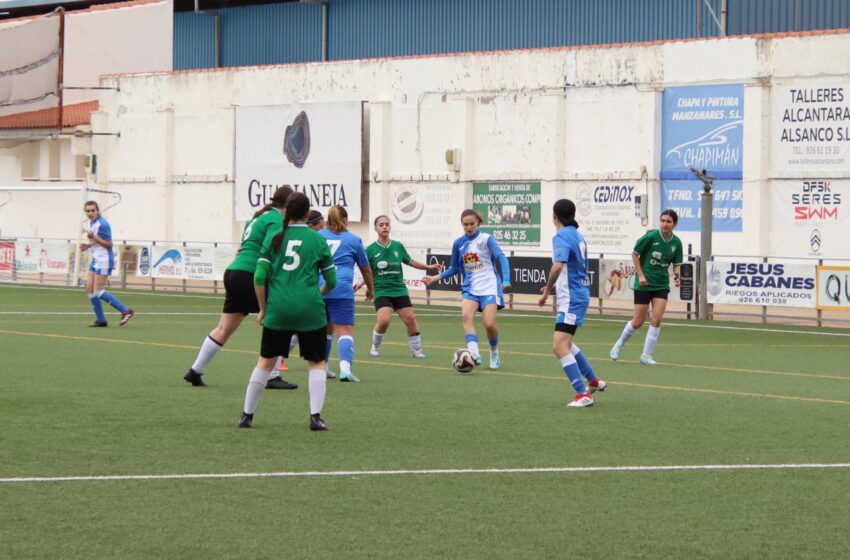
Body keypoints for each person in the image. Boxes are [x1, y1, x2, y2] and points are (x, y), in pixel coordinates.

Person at [238, 193, 337, 430]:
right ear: (306, 213)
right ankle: (315, 417)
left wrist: (263, 308)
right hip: (310, 309)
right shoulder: (318, 240)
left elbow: (259, 276)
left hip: (279, 308)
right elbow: (332, 281)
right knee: (316, 362)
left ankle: (247, 416)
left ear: (286, 212)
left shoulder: (274, 236)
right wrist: (316, 295)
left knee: (265, 362)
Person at [183, 187, 297, 389]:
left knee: (223, 328)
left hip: (234, 271)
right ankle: (272, 375)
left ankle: (195, 370)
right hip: (250, 274)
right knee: (280, 319)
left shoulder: (258, 217)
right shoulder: (276, 220)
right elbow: (272, 244)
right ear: (288, 205)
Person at [538, 199, 607, 408]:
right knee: (567, 343)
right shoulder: (577, 234)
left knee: (559, 345)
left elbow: (558, 267)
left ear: (554, 215)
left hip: (572, 298)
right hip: (579, 294)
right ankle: (593, 381)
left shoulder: (561, 235)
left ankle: (583, 393)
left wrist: (548, 290)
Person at [422, 209, 511, 369]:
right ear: (462, 224)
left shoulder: (486, 239)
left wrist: (506, 279)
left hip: (490, 287)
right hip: (470, 288)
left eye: (472, 224)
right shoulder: (459, 243)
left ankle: (494, 352)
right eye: (465, 224)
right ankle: (474, 353)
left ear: (478, 222)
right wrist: (434, 278)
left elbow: (501, 258)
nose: (469, 227)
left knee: (489, 324)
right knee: (466, 317)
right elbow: (454, 268)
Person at [609, 209, 683, 365]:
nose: (665, 224)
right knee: (638, 321)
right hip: (644, 284)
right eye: (662, 220)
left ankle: (646, 356)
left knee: (656, 319)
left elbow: (676, 265)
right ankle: (620, 343)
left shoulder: (676, 243)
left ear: (674, 224)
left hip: (661, 284)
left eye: (669, 221)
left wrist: (677, 276)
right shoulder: (651, 237)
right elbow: (635, 254)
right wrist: (641, 275)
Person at [364, 215, 441, 359]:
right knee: (384, 320)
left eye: (387, 224)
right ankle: (375, 346)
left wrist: (428, 267)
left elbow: (410, 261)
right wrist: (364, 285)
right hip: (382, 290)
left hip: (399, 289)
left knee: (410, 318)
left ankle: (416, 350)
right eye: (381, 224)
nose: (385, 227)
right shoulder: (370, 250)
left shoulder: (397, 246)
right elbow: (368, 271)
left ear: (390, 227)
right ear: (375, 228)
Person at [320, 206, 374, 382]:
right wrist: (370, 289)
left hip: (319, 288)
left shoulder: (318, 236)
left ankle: (324, 368)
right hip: (341, 288)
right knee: (344, 331)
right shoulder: (353, 240)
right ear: (345, 220)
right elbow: (365, 269)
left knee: (326, 331)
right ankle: (345, 370)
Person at [80, 201, 134, 327]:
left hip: (104, 260)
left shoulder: (103, 224)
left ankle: (126, 311)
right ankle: (101, 320)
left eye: (93, 210)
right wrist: (88, 245)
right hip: (96, 259)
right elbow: (97, 242)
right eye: (87, 211)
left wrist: (94, 237)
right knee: (89, 288)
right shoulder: (92, 223)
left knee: (98, 291)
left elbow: (109, 244)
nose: (90, 213)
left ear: (98, 210)